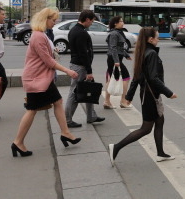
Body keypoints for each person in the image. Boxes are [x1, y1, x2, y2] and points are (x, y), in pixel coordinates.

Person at [11, 8, 81, 157]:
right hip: (36, 79)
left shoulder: (41, 35)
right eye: (53, 20)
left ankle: (65, 132)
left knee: (58, 102)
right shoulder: (38, 36)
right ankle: (18, 142)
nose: (54, 23)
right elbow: (48, 61)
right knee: (32, 109)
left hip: (42, 78)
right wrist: (68, 71)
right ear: (45, 19)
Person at [108, 27, 177, 166]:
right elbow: (153, 78)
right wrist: (168, 93)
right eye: (157, 37)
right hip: (151, 95)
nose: (158, 40)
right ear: (150, 39)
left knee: (159, 121)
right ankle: (116, 147)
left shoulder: (143, 52)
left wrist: (129, 96)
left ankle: (161, 153)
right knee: (145, 129)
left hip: (148, 94)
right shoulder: (151, 53)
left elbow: (137, 77)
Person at [64, 10, 105, 128]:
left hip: (77, 64)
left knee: (89, 89)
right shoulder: (82, 33)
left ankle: (91, 116)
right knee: (75, 92)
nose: (92, 23)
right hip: (80, 66)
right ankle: (67, 120)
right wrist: (89, 71)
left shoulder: (73, 30)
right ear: (87, 19)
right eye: (92, 21)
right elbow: (84, 53)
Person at [104, 16, 133, 109]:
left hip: (116, 59)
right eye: (121, 21)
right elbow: (113, 48)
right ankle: (122, 101)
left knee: (111, 78)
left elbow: (120, 48)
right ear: (115, 23)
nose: (123, 22)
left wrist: (126, 55)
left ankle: (108, 101)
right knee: (125, 77)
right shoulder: (114, 34)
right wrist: (116, 61)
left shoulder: (118, 33)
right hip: (114, 60)